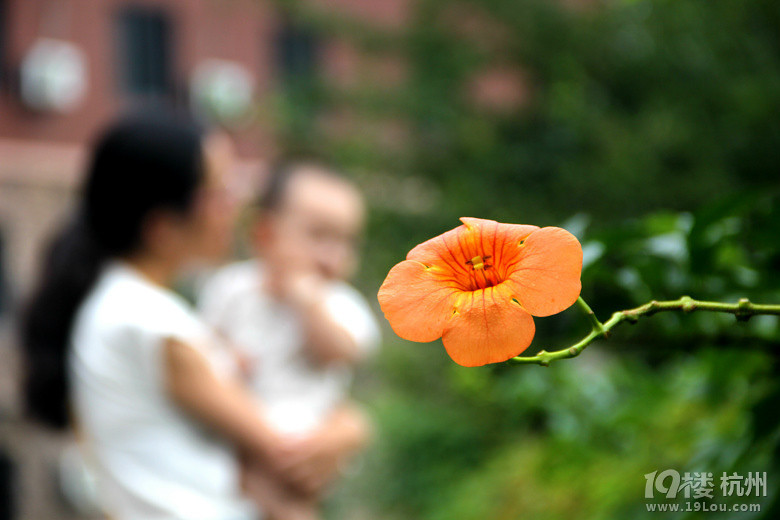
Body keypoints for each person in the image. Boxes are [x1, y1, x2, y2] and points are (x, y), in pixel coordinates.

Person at [20, 113, 300, 520]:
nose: (235, 204)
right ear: (162, 227)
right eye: (219, 192)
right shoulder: (148, 322)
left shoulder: (120, 305)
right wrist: (351, 427)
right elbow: (285, 449)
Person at [198, 162, 379, 519]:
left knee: (287, 504)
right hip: (234, 431)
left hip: (302, 443)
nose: (332, 256)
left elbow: (341, 352)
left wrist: (308, 304)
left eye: (346, 241)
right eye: (318, 236)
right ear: (265, 234)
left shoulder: (340, 303)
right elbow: (203, 348)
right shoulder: (232, 288)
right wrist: (227, 356)